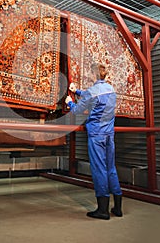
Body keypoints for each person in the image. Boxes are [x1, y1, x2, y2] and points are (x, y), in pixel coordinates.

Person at [65, 63, 123, 220]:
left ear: (93, 75)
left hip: (96, 135)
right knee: (111, 168)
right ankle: (117, 207)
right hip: (109, 135)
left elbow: (77, 110)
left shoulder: (92, 92)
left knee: (99, 169)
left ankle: (103, 210)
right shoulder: (111, 89)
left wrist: (70, 101)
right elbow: (92, 95)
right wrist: (76, 91)